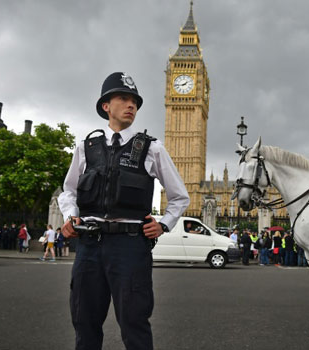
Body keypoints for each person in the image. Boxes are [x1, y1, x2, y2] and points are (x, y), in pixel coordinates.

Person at [57, 72, 190, 349]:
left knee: (134, 323)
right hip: (89, 245)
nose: (131, 105)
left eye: (135, 102)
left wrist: (164, 224)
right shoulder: (85, 147)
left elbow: (179, 196)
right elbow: (68, 191)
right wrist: (70, 216)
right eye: (123, 98)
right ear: (106, 106)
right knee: (84, 322)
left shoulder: (151, 148)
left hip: (129, 247)